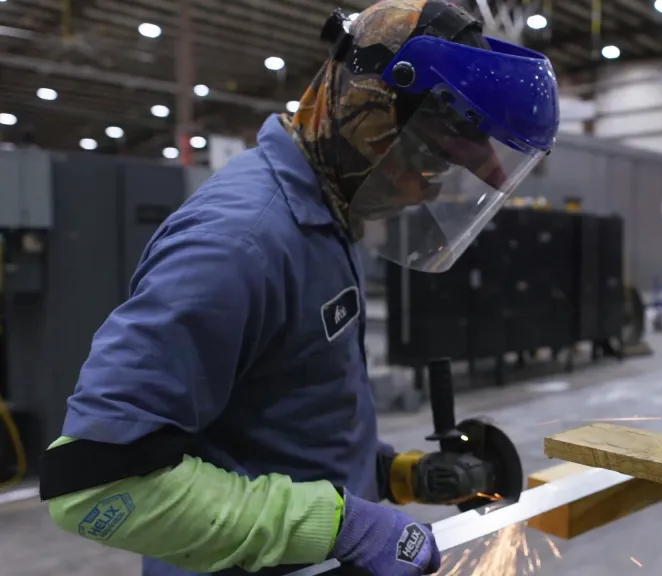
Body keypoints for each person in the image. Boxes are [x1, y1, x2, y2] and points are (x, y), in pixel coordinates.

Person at [36, 2, 559, 575]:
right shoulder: (238, 244)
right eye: (427, 161)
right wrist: (341, 525)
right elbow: (96, 485)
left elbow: (278, 417)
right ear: (370, 111)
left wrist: (392, 474)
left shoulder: (326, 215)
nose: (427, 192)